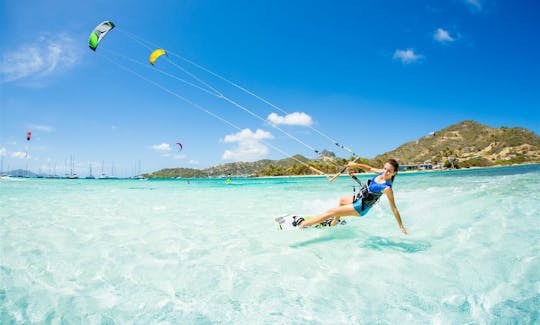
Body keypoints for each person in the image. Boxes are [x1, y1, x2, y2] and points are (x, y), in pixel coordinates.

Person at [297, 159, 408, 235]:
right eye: (385, 169)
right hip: (358, 198)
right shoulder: (381, 173)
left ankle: (303, 225)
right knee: (341, 201)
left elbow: (394, 208)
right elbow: (369, 168)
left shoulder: (387, 188)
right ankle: (334, 223)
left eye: (389, 171)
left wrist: (401, 226)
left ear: (394, 173)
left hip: (360, 207)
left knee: (331, 211)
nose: (385, 172)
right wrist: (356, 165)